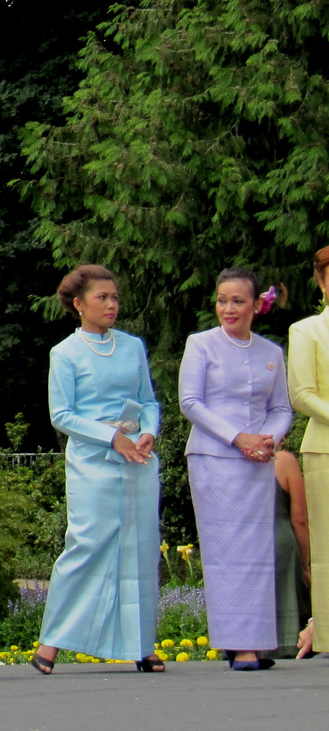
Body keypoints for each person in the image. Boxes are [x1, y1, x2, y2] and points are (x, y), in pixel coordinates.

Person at [32, 265, 164, 674]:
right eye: (102, 297)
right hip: (93, 460)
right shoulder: (65, 353)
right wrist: (110, 438)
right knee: (87, 544)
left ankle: (141, 645)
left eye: (115, 297)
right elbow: (62, 414)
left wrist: (149, 433)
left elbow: (149, 401)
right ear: (79, 304)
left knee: (140, 547)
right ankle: (51, 642)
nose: (111, 304)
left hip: (137, 459)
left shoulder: (131, 346)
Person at [179, 268, 293, 669]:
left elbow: (281, 407)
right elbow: (190, 402)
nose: (228, 308)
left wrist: (269, 439)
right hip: (214, 459)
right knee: (226, 551)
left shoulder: (271, 353)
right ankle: (238, 645)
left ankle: (255, 641)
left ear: (255, 305)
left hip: (258, 461)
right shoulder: (201, 344)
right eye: (222, 300)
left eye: (237, 301)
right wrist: (238, 437)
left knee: (257, 552)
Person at [288, 244, 329, 655]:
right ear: (321, 282)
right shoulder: (306, 331)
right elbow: (301, 394)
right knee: (327, 545)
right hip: (325, 450)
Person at [274, 448, 313, 659]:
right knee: (286, 589)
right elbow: (299, 519)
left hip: (244, 540)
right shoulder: (284, 461)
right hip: (279, 539)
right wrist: (305, 566)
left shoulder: (232, 459)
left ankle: (246, 647)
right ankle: (289, 642)